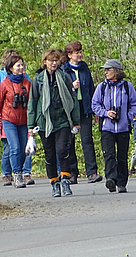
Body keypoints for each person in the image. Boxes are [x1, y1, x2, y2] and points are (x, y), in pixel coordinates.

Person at [28, 48, 80, 197]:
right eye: (51, 61)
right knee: (49, 154)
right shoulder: (37, 81)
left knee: (63, 150)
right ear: (45, 62)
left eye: (56, 60)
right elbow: (32, 104)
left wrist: (76, 122)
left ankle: (65, 180)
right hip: (44, 122)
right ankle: (54, 182)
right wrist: (30, 126)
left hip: (63, 120)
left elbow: (73, 100)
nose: (54, 63)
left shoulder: (64, 78)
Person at [91, 59, 136, 193]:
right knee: (109, 154)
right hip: (107, 127)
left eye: (108, 69)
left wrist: (127, 117)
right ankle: (111, 179)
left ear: (117, 71)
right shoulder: (102, 87)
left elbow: (135, 105)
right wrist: (105, 113)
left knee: (122, 156)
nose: (106, 72)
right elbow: (95, 105)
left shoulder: (127, 87)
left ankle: (122, 182)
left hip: (123, 127)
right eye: (105, 70)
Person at [0, 50, 34, 186]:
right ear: (10, 68)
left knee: (22, 150)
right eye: (18, 66)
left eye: (22, 65)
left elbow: (33, 103)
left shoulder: (27, 83)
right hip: (9, 120)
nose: (21, 68)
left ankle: (19, 170)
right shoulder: (5, 84)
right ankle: (17, 175)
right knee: (14, 147)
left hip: (24, 121)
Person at [61, 41, 102, 184]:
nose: (79, 55)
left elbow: (91, 89)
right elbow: (60, 91)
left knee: (87, 140)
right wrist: (71, 86)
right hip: (71, 109)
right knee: (69, 141)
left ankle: (92, 172)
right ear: (69, 55)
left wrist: (95, 109)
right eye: (76, 52)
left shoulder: (85, 68)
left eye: (80, 52)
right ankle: (72, 173)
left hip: (85, 108)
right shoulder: (64, 70)